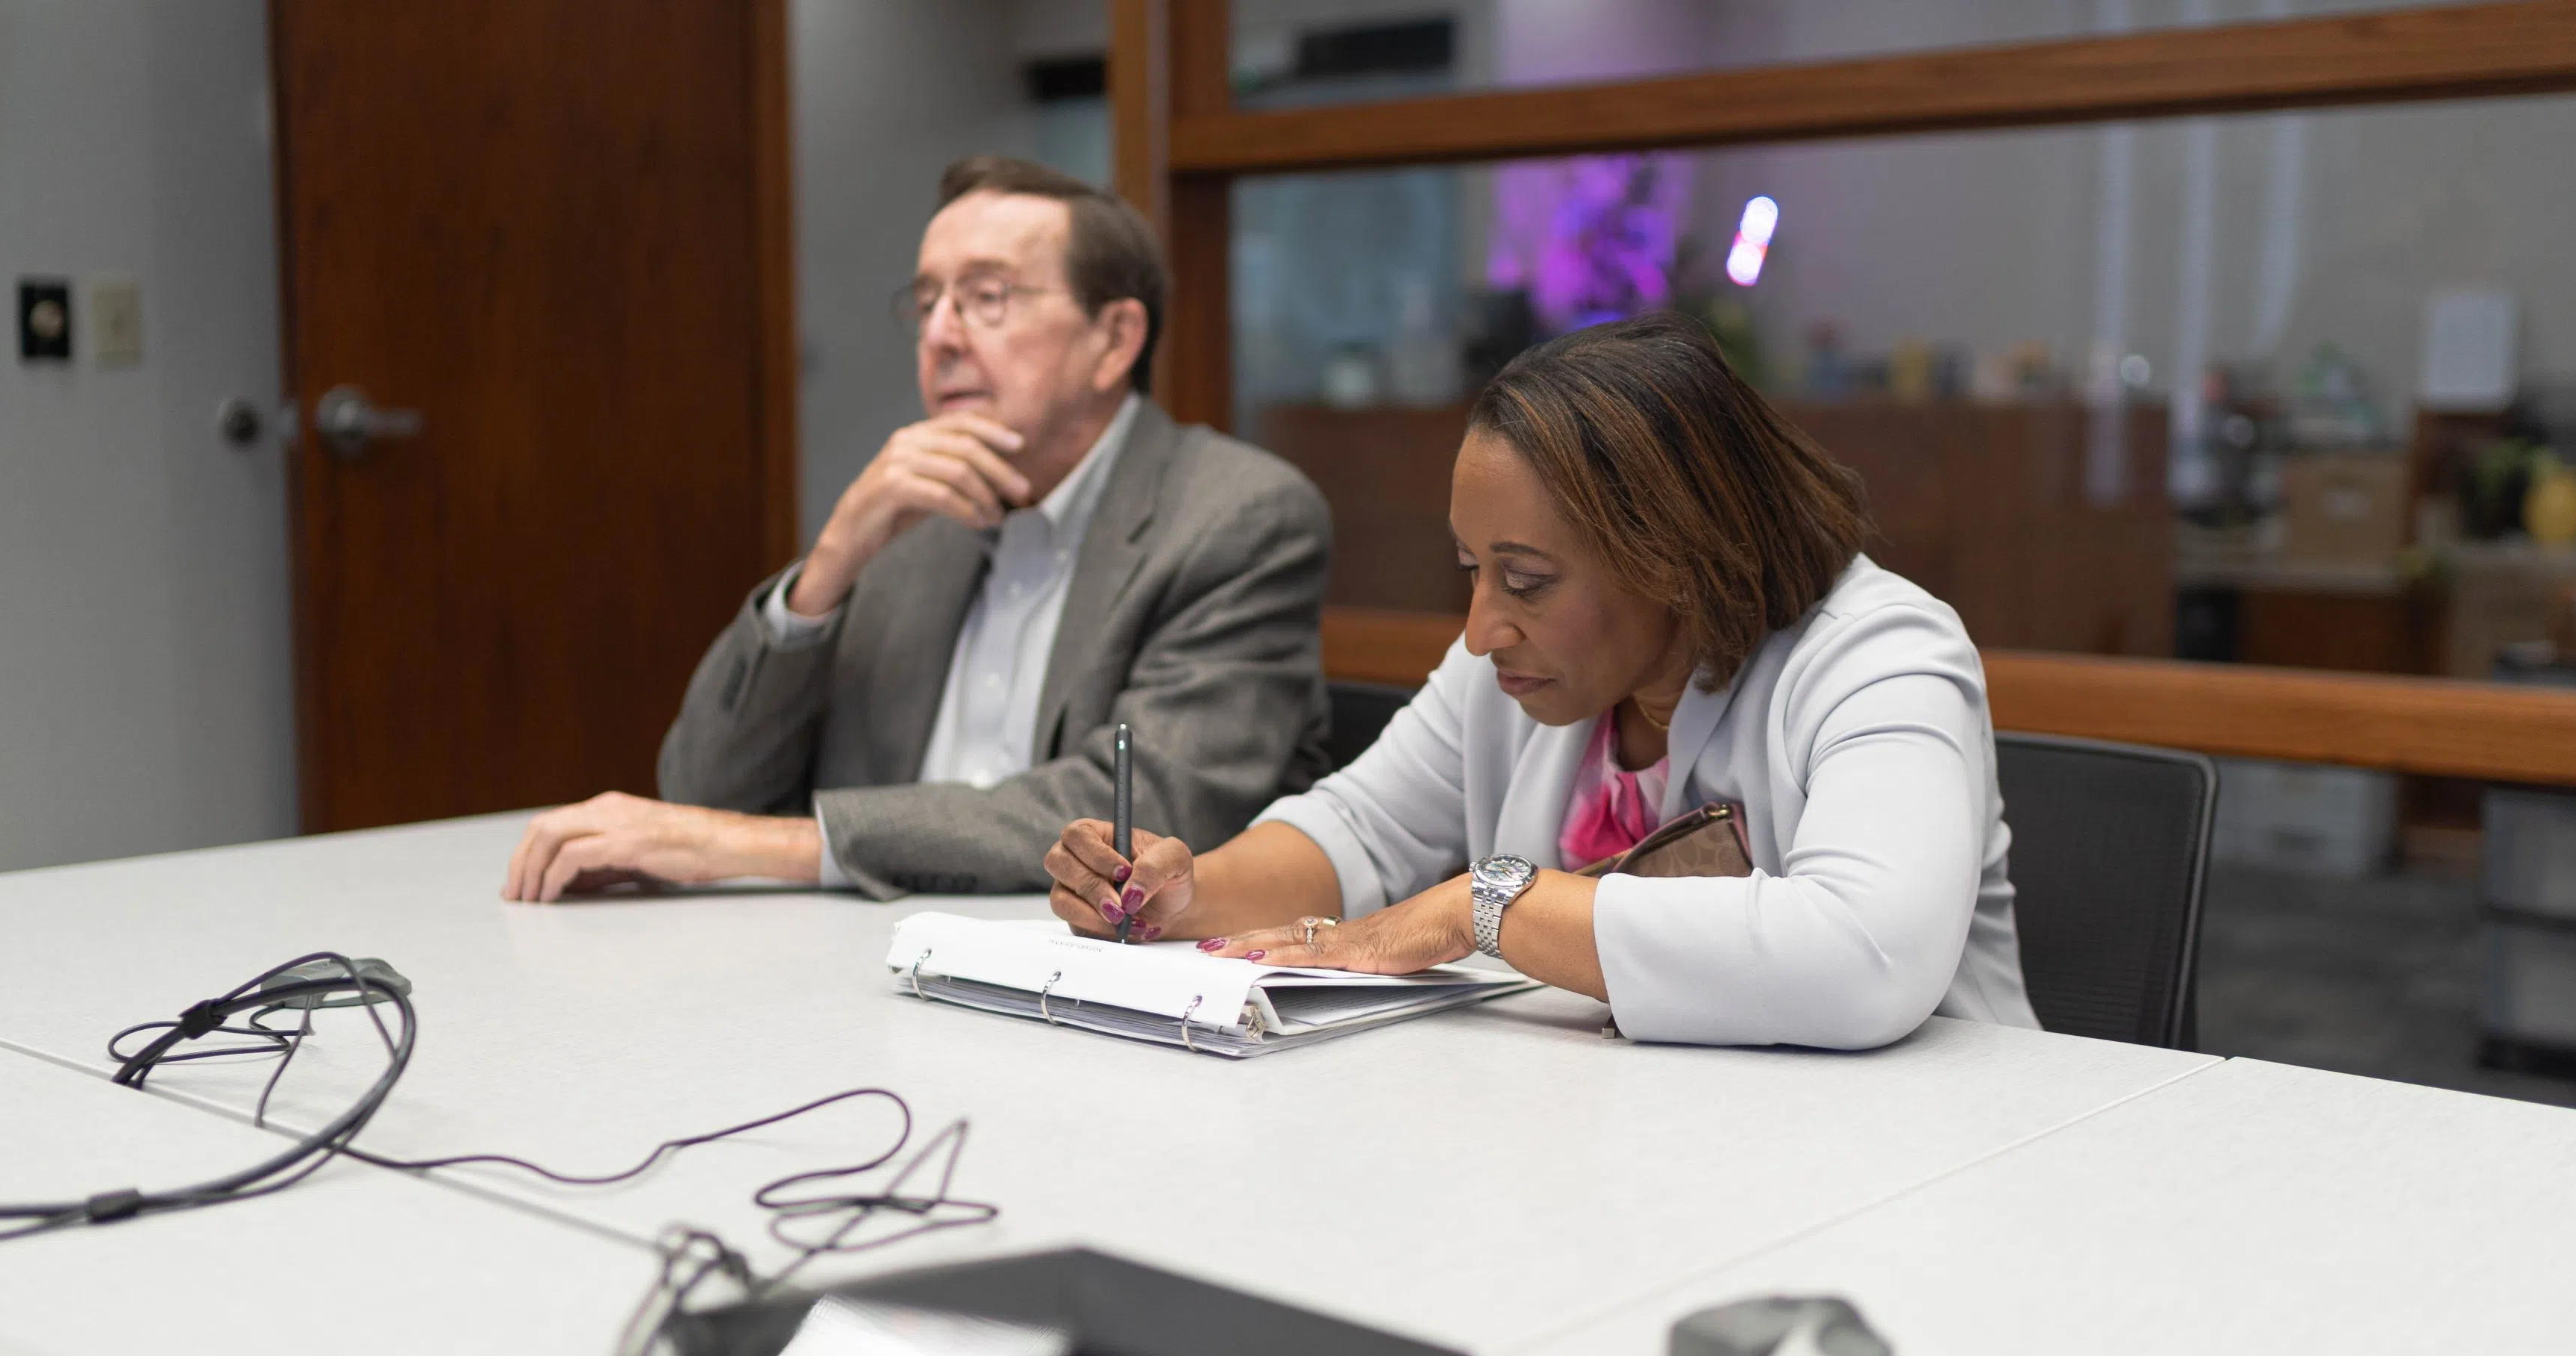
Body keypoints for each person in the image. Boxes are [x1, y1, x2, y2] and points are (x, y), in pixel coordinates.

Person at [1042, 313, 2035, 1051]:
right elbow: (1359, 830)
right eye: (1474, 571)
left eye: (1527, 580)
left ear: (1676, 555)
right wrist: (1182, 891)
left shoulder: (1879, 656)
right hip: (1656, 1147)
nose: (1481, 631)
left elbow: (1863, 959)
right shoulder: (1520, 670)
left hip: (1922, 1167)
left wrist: (1488, 906)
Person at [503, 157, 1331, 902]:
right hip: (857, 974)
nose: (939, 335)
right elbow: (702, 791)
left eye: (986, 297)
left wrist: (774, 845)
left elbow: (1132, 817)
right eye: (928, 300)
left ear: (1113, 339)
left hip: (1096, 992)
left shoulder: (1238, 516)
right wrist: (831, 561)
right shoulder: (910, 519)